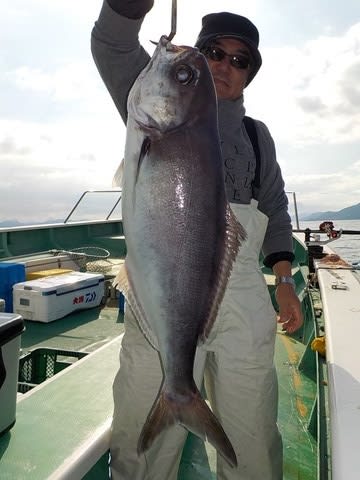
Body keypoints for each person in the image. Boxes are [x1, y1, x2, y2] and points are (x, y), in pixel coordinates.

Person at [91, 1, 303, 479]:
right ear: (199, 56)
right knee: (140, 425)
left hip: (245, 292)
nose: (225, 64)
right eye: (213, 52)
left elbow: (273, 209)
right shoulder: (150, 98)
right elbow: (111, 45)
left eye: (240, 59)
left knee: (250, 428)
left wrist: (285, 280)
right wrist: (126, 8)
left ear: (249, 74)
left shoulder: (256, 136)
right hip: (162, 287)